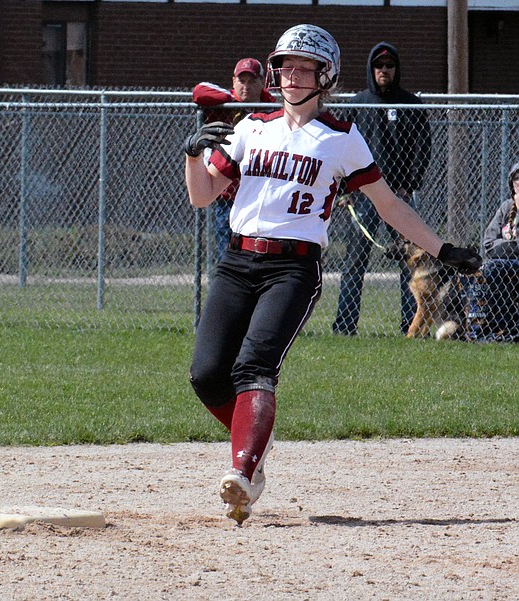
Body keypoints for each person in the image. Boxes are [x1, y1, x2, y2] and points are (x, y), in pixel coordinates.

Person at [182, 24, 481, 526]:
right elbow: (201, 195)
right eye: (284, 66)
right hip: (237, 262)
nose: (290, 75)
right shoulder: (252, 126)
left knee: (254, 366)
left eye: (304, 67)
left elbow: (389, 206)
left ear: (327, 76)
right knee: (206, 374)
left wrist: (444, 248)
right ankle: (257, 439)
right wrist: (193, 153)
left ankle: (243, 468)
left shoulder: (342, 137)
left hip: (293, 268)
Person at [331, 42, 432, 336]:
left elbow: (422, 148)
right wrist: (344, 190)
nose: (384, 70)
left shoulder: (411, 104)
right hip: (363, 196)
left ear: (396, 69)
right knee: (354, 262)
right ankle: (345, 326)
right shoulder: (357, 104)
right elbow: (342, 150)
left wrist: (407, 186)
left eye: (389, 65)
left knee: (410, 264)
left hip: (399, 197)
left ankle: (408, 326)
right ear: (371, 69)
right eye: (379, 65)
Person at [193, 58, 277, 264]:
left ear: (262, 82)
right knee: (228, 256)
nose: (246, 86)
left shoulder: (272, 110)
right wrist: (235, 102)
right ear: (233, 81)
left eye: (252, 81)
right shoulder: (224, 104)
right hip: (227, 194)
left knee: (261, 255)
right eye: (241, 80)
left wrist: (259, 104)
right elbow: (199, 91)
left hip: (260, 195)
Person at [477, 162, 519, 340]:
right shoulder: (506, 207)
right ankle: (503, 327)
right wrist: (512, 247)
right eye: (516, 179)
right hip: (503, 264)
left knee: (495, 267)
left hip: (508, 263)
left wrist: (504, 247)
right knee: (491, 268)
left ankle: (509, 327)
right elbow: (488, 243)